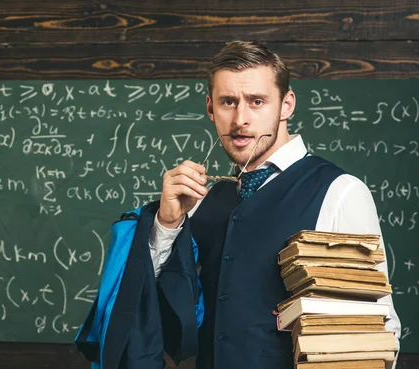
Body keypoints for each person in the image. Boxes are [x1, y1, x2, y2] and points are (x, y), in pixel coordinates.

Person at [149, 41, 401, 369]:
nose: (241, 119)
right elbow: (165, 310)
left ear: (286, 105)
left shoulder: (340, 192)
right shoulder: (201, 201)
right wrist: (166, 226)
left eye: (257, 101)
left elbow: (379, 328)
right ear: (211, 108)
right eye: (228, 102)